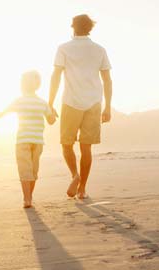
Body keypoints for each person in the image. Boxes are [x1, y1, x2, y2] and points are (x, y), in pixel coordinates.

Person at [48, 14, 113, 199]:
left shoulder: (63, 48)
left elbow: (56, 77)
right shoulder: (99, 50)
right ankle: (82, 188)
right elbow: (107, 80)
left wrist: (50, 103)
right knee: (86, 148)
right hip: (93, 103)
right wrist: (107, 107)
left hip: (70, 102)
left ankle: (75, 175)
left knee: (66, 144)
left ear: (72, 27)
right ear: (90, 28)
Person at [0, 71, 57, 208]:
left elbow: (2, 113)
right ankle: (28, 198)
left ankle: (27, 198)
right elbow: (51, 121)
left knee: (29, 171)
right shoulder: (40, 102)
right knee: (30, 171)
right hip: (32, 141)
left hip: (28, 140)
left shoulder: (32, 102)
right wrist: (52, 113)